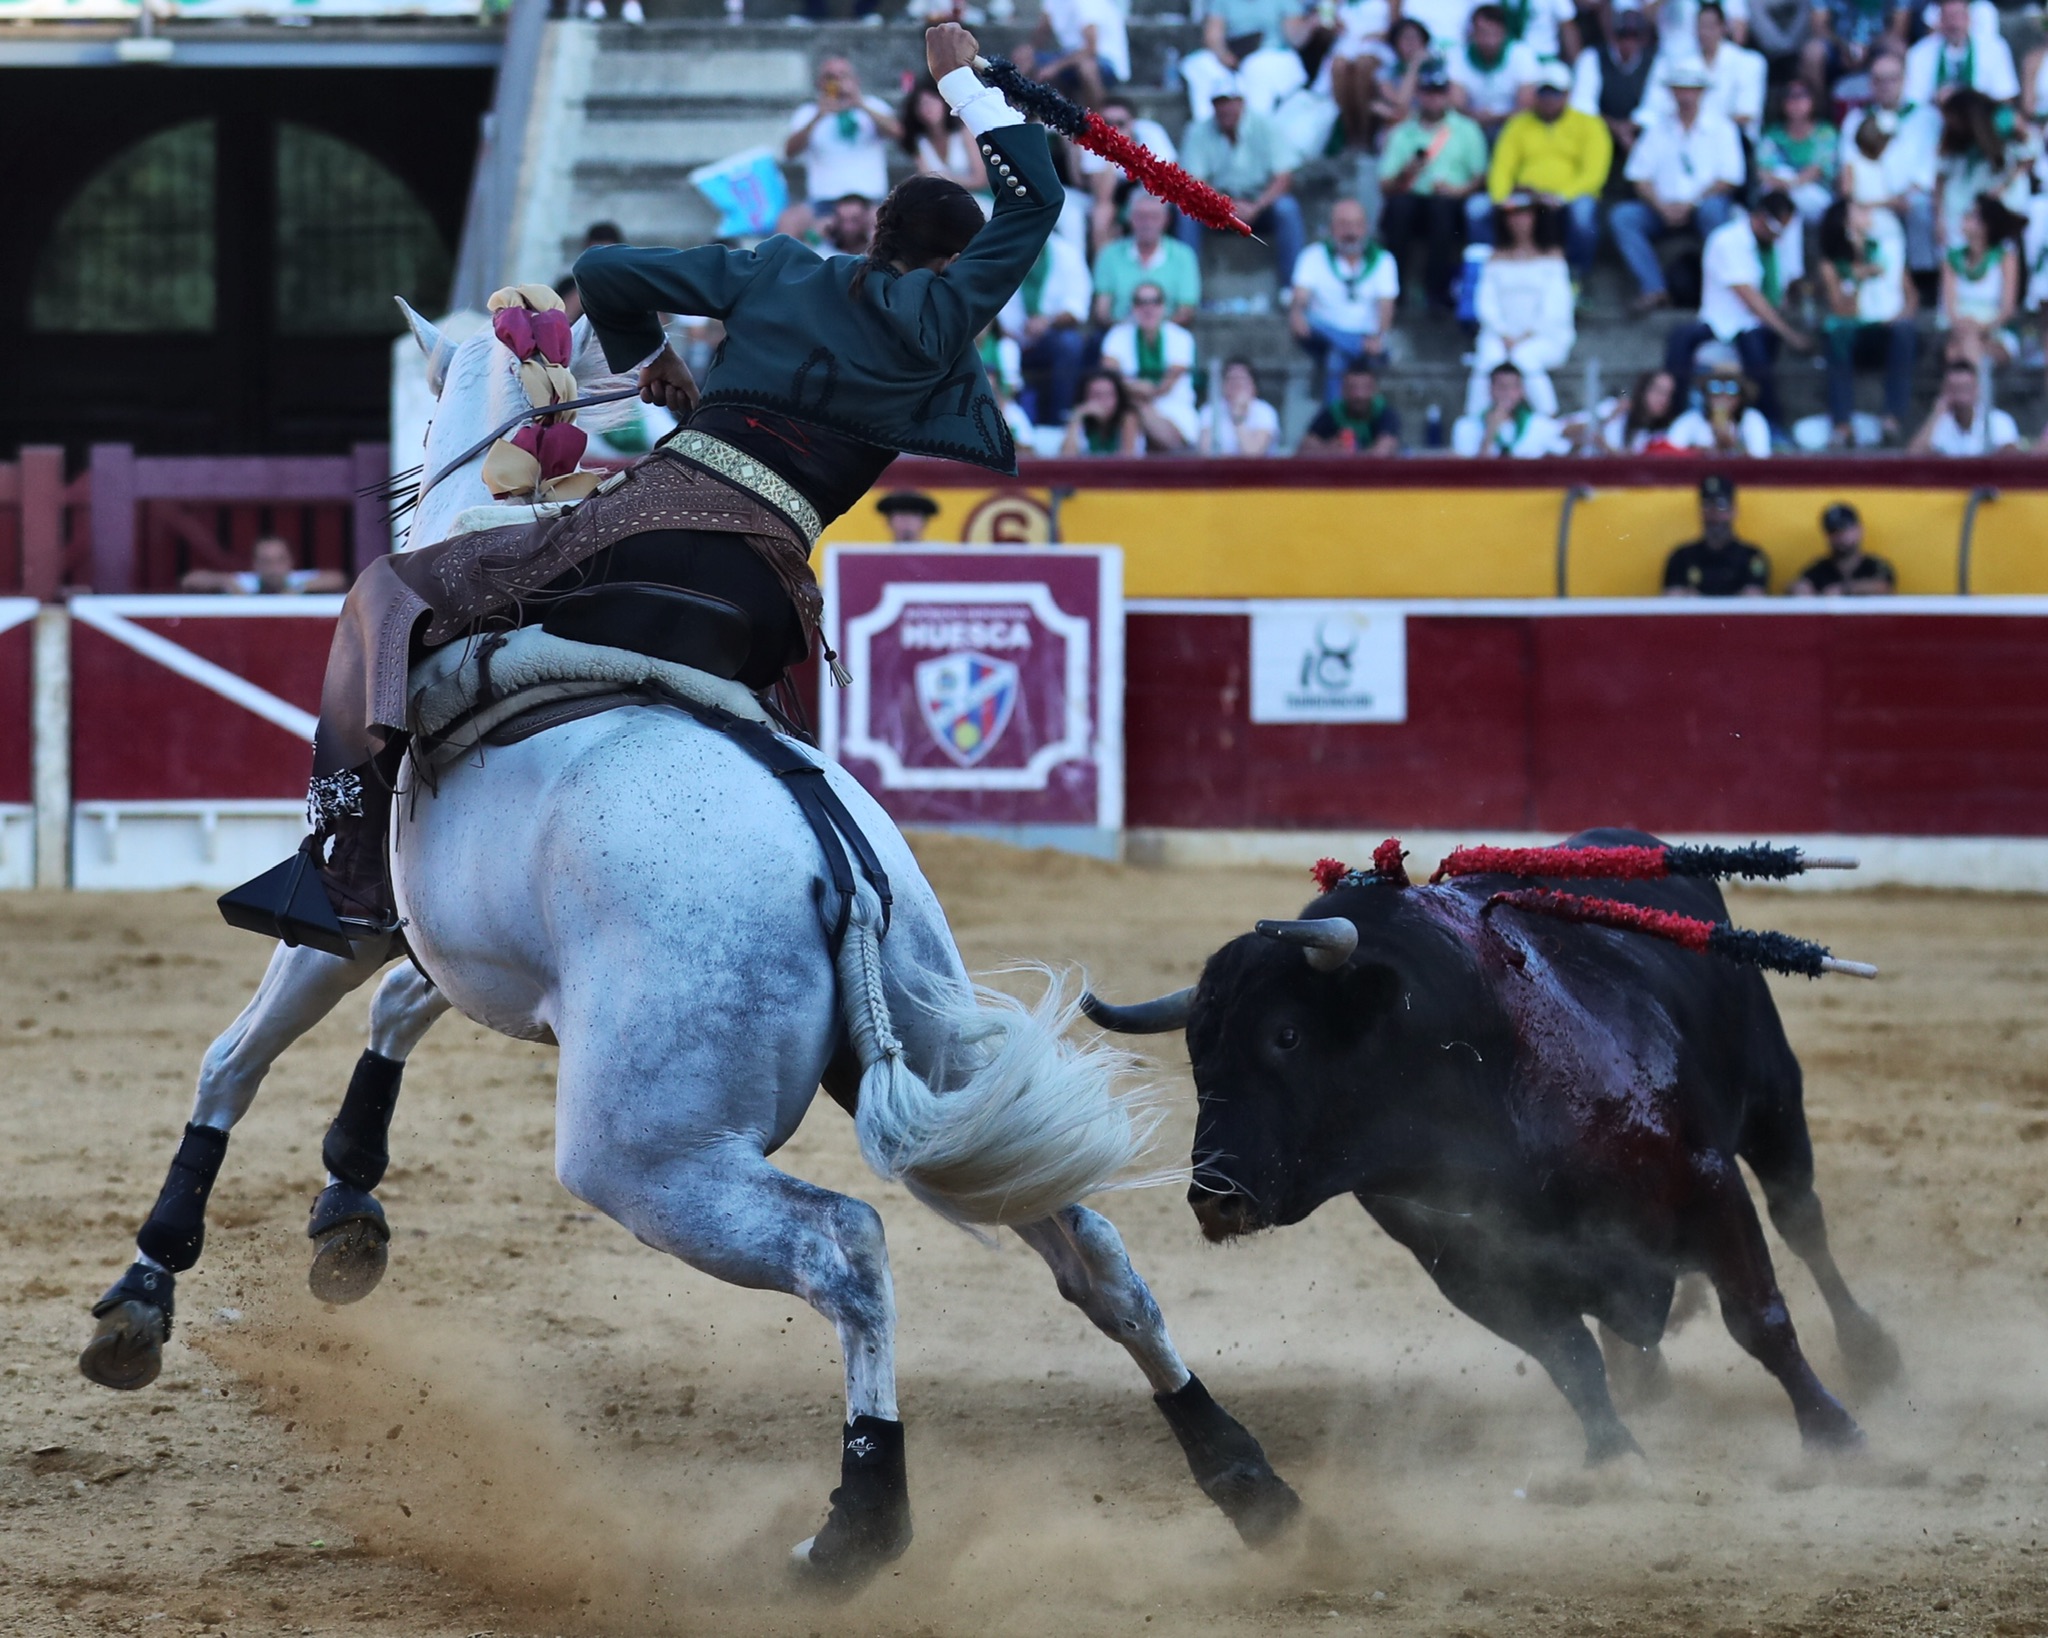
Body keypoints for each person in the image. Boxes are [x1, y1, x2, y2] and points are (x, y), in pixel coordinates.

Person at [246, 24, 1060, 945]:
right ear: (953, 264)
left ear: (878, 234)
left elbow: (603, 271)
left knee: (386, 594)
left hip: (638, 538)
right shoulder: (946, 314)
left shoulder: (780, 267)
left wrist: (654, 356)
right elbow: (1036, 200)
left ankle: (353, 872)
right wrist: (965, 90)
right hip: (765, 601)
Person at [1664, 191, 1810, 433]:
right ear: (1760, 217)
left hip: (1754, 326)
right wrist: (1790, 335)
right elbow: (1750, 297)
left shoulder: (1775, 244)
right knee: (1682, 338)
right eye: (1776, 229)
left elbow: (1783, 291)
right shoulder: (1727, 240)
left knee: (1756, 341)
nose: (1779, 236)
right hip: (1720, 321)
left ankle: (1769, 425)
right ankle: (1672, 415)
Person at [1611, 64, 1746, 314]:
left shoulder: (1722, 128)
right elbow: (1639, 176)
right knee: (1623, 217)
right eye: (1680, 89)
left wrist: (1691, 203)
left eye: (1691, 89)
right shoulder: (1657, 128)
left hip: (1702, 206)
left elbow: (1730, 178)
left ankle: (1719, 288)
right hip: (1661, 208)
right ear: (1671, 92)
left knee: (1714, 211)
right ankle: (1653, 288)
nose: (1685, 96)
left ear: (1702, 92)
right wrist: (1661, 206)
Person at [1376, 58, 1490, 310]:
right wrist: (1406, 172)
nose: (1433, 98)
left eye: (1439, 91)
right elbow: (1385, 184)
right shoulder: (1402, 133)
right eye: (1428, 91)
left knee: (1442, 209)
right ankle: (1395, 291)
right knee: (1399, 207)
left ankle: (1437, 293)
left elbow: (1480, 178)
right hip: (1413, 202)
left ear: (1448, 93)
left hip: (1451, 204)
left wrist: (1457, 191)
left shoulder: (1467, 130)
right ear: (1418, 94)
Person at [1483, 60, 1611, 280]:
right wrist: (1502, 197)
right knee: (1478, 210)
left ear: (1568, 94)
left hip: (1569, 197)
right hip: (1526, 195)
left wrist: (1561, 196)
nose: (1549, 99)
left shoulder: (1590, 125)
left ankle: (1577, 277)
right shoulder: (1518, 124)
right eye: (1544, 92)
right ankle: (1492, 274)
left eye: (1555, 93)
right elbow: (1501, 167)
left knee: (1582, 214)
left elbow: (1594, 174)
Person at [1175, 80, 1307, 283]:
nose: (1226, 108)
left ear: (1242, 102)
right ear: (1213, 105)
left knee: (1286, 208)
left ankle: (1292, 286)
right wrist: (1226, 205)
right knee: (1187, 212)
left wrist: (1257, 206)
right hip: (1216, 205)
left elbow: (1283, 176)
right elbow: (1194, 181)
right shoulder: (1198, 131)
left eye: (1231, 102)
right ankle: (1187, 286)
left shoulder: (1266, 126)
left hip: (1260, 204)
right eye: (1220, 102)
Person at [1817, 197, 1918, 444]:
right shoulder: (1831, 264)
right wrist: (1858, 275)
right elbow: (1841, 309)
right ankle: (1842, 425)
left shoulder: (1886, 251)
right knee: (1837, 336)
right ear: (1845, 222)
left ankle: (1891, 419)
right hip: (1854, 335)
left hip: (1886, 332)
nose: (1868, 213)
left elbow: (1911, 296)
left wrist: (1897, 316)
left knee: (1904, 331)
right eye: (1859, 210)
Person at [1468, 192, 1575, 415]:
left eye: (1525, 214)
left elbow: (1556, 307)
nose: (1518, 221)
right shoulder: (1494, 258)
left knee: (1524, 358)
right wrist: (1504, 334)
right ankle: (1474, 422)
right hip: (1500, 336)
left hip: (1545, 335)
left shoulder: (1553, 257)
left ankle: (1549, 420)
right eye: (1512, 215)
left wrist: (1526, 336)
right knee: (1487, 360)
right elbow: (1486, 304)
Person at [1287, 197, 1400, 402]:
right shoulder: (1313, 255)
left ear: (1366, 228)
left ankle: (1333, 418)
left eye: (1357, 225)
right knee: (1307, 319)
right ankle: (1354, 346)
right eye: (1344, 225)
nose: (1351, 232)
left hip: (1365, 334)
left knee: (1337, 357)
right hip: (1322, 333)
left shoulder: (1383, 260)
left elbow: (1386, 307)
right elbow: (1300, 298)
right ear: (1331, 228)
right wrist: (1296, 313)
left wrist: (1378, 336)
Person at [1839, 52, 1939, 276]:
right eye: (1879, 80)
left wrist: (1907, 194)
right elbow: (1849, 167)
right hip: (1871, 197)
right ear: (1870, 83)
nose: (1885, 86)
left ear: (1904, 80)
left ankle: (1924, 277)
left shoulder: (1927, 117)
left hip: (1914, 194)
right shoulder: (1856, 119)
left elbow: (1931, 165)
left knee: (1919, 208)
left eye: (1892, 79)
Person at [997, 227, 1093, 426]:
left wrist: (1046, 322)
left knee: (1069, 343)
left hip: (1049, 338)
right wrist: (1005, 330)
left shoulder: (1067, 252)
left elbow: (1077, 307)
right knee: (1002, 348)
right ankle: (1007, 423)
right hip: (1008, 337)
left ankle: (1059, 421)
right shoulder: (1001, 250)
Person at [785, 57, 901, 213]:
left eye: (843, 76)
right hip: (824, 201)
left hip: (870, 199)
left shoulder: (873, 105)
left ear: (856, 80)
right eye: (830, 77)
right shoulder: (808, 112)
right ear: (820, 83)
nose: (838, 82)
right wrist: (818, 116)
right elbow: (789, 152)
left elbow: (897, 132)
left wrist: (860, 105)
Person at [1099, 281, 1200, 451]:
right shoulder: (1117, 335)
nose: (1148, 308)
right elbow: (1110, 372)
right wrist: (1137, 389)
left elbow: (1166, 384)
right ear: (1133, 307)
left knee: (1134, 413)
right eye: (1141, 302)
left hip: (1172, 407)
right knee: (1130, 417)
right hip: (1129, 405)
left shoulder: (1181, 337)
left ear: (1163, 306)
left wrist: (1134, 390)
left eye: (1155, 301)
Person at [1639, 5, 1767, 136]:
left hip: (1733, 139)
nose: (1705, 32)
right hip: (1690, 137)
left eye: (1710, 26)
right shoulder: (1684, 66)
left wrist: (1708, 131)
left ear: (1723, 28)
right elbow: (1667, 110)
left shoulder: (1749, 63)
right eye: (1701, 26)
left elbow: (1746, 114)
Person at [1935, 93, 2034, 257]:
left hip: (2003, 199)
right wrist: (1939, 219)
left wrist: (2003, 187)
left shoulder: (2002, 119)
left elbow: (2029, 152)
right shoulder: (1955, 140)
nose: (1950, 123)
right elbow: (1941, 175)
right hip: (1973, 200)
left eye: (1953, 117)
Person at [1092, 190, 1201, 326]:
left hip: (1167, 333)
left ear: (1166, 219)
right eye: (1141, 216)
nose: (1147, 223)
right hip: (1119, 331)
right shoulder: (1109, 254)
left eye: (1154, 217)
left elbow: (1186, 311)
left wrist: (1151, 330)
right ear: (1130, 217)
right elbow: (1102, 311)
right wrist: (1132, 330)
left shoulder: (1183, 256)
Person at [1940, 192, 2023, 365]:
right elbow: (1949, 307)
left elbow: (2007, 309)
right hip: (1960, 331)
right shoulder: (1951, 259)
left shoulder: (2006, 258)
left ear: (1986, 225)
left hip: (1996, 332)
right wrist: (1963, 326)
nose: (1964, 218)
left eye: (1971, 215)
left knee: (1967, 346)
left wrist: (1982, 328)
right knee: (1958, 347)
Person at [1081, 100, 1178, 248]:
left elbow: (1166, 178)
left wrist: (1131, 153)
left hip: (1148, 191)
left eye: (1120, 123)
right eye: (1107, 123)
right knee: (1101, 215)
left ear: (1132, 123)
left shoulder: (1151, 133)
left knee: (1153, 209)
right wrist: (1111, 152)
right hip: (1115, 194)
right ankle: (1104, 260)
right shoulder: (1093, 139)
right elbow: (1102, 196)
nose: (1113, 129)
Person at [1570, 9, 1655, 169]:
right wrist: (1616, 128)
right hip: (1599, 131)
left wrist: (1628, 128)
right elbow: (1582, 104)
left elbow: (1654, 107)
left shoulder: (1654, 61)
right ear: (1613, 36)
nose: (1628, 42)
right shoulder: (1592, 57)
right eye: (1623, 35)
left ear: (1642, 38)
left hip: (1637, 135)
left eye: (1634, 36)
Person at [1662, 474, 1771, 597]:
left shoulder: (1751, 557)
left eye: (1721, 505)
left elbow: (1753, 598)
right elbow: (1672, 598)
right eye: (1707, 505)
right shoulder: (1681, 557)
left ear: (1733, 511)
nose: (1713, 512)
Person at [1448, 4, 1540, 142]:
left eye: (1494, 34)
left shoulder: (1522, 54)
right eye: (1483, 33)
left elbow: (1526, 106)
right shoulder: (1457, 55)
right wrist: (1478, 118)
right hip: (1470, 126)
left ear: (1504, 33)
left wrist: (1494, 118)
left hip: (1512, 126)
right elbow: (1456, 105)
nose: (1489, 41)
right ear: (1472, 33)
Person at [1018, 0, 1131, 108]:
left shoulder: (1087, 3)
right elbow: (1042, 31)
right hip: (1070, 57)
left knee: (1086, 67)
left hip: (1104, 61)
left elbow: (1091, 50)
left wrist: (1055, 67)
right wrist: (1029, 50)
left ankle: (1095, 117)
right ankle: (1020, 112)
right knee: (1024, 56)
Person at [1756, 79, 1838, 225]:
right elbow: (1763, 171)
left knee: (1791, 197)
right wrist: (1782, 184)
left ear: (1813, 100)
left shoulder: (1825, 133)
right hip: (1778, 192)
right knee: (1779, 194)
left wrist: (1791, 184)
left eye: (1801, 95)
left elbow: (1818, 170)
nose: (1795, 102)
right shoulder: (1772, 134)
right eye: (1790, 96)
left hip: (1814, 195)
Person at [1666, 345, 1776, 455]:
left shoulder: (1751, 419)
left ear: (1741, 396)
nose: (1723, 396)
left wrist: (1732, 446)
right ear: (1706, 394)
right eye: (1715, 387)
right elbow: (1669, 452)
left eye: (1732, 389)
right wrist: (1705, 451)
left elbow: (1761, 457)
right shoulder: (1691, 420)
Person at [1903, 0, 2017, 106]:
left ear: (1969, 19)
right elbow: (1913, 100)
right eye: (1949, 17)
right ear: (1939, 21)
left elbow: (2005, 96)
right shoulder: (1919, 52)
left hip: (1981, 114)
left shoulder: (1994, 48)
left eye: (1959, 16)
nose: (1954, 24)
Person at [1452, 361, 1569, 456]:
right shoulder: (1466, 426)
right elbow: (1468, 471)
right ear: (1490, 389)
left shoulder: (1541, 425)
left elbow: (1566, 454)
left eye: (1514, 387)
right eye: (1502, 387)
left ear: (1522, 391)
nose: (1508, 393)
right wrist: (1489, 434)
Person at [1909, 355, 2022, 452]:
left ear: (1977, 390)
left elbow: (2012, 460)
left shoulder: (1998, 421)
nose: (1961, 396)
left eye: (1965, 389)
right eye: (1955, 389)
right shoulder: (1939, 424)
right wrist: (1936, 413)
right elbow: (1913, 456)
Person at [1802, 0, 1908, 102]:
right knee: (1813, 52)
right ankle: (1820, 109)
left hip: (1877, 45)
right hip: (1838, 47)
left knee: (1897, 47)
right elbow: (1820, 27)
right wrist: (1843, 48)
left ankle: (1896, 107)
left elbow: (1898, 29)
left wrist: (1868, 48)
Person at [1296, 355, 1402, 453]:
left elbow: (1383, 450)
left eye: (1364, 388)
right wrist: (1329, 449)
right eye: (1352, 388)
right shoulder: (1333, 412)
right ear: (1343, 390)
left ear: (1374, 390)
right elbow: (1304, 447)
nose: (1359, 395)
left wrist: (1352, 456)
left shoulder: (1384, 413)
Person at [902, 78, 987, 199]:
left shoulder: (964, 133)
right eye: (921, 104)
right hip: (941, 202)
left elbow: (981, 179)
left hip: (976, 198)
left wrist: (945, 179)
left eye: (932, 102)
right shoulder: (919, 142)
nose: (927, 109)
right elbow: (925, 180)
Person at [1789, 502, 1897, 595]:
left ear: (1859, 530)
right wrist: (1798, 589)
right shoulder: (1818, 570)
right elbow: (1800, 587)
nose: (1839, 536)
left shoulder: (1875, 566)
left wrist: (1844, 589)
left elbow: (1883, 587)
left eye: (1845, 529)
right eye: (1833, 531)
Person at [181, 536, 346, 595]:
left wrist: (300, 588)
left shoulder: (297, 581)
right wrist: (224, 581)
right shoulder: (246, 583)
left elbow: (338, 579)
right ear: (255, 564)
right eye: (266, 561)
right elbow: (189, 580)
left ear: (290, 562)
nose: (273, 568)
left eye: (279, 560)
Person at [1198, 356, 1283, 454]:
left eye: (1241, 379)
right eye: (1231, 379)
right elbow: (1206, 452)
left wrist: (1238, 419)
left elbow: (1253, 453)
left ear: (1253, 385)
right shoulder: (1210, 410)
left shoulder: (1265, 412)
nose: (1236, 383)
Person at [1598, 366, 1686, 452]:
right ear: (1643, 389)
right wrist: (1610, 417)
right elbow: (1591, 427)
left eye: (1669, 394)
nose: (1664, 399)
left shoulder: (1663, 434)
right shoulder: (1613, 408)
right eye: (1659, 391)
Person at [1062, 369, 1143, 454]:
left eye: (1108, 395)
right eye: (1097, 395)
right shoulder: (1080, 417)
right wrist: (1077, 417)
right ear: (1085, 397)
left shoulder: (1128, 417)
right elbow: (1067, 457)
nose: (1103, 401)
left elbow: (1128, 457)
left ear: (1118, 397)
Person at [876, 491, 941, 542]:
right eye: (901, 514)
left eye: (914, 514)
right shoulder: (877, 553)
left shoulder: (940, 552)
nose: (907, 520)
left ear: (925, 522)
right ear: (888, 522)